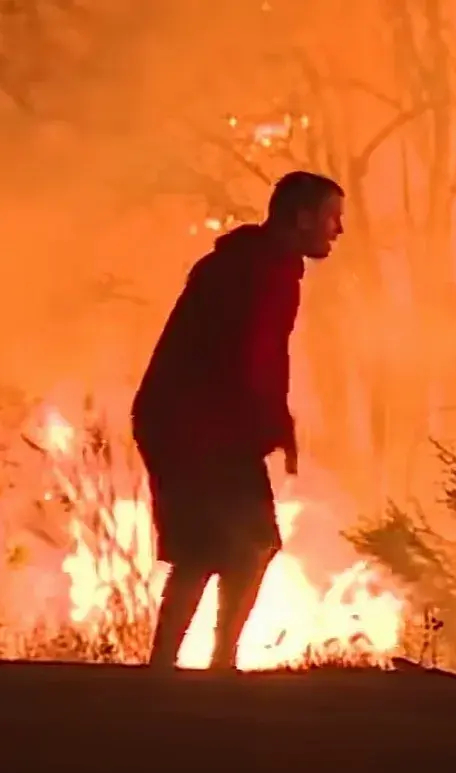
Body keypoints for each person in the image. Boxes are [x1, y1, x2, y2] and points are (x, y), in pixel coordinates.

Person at [132, 171, 345, 673]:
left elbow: (260, 358)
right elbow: (250, 356)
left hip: (195, 423)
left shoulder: (259, 264)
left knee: (214, 547)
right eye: (333, 218)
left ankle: (179, 667)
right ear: (303, 218)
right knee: (241, 544)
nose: (338, 230)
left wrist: (275, 423)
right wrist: (271, 423)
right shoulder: (259, 269)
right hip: (195, 427)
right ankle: (204, 666)